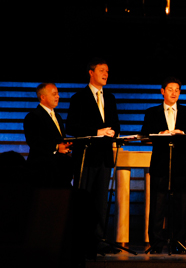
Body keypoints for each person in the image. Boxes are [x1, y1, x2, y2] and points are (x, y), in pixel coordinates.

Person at [66, 57, 120, 254]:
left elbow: (115, 124)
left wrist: (114, 132)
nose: (106, 74)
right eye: (102, 70)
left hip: (105, 157)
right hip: (86, 158)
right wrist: (97, 131)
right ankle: (80, 240)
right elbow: (71, 127)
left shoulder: (111, 98)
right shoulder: (78, 98)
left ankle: (99, 239)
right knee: (84, 199)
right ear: (91, 72)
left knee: (101, 201)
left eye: (107, 71)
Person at [141, 77, 186, 254]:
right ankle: (156, 243)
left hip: (180, 165)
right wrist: (160, 134)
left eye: (177, 90)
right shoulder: (152, 112)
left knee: (180, 206)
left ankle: (178, 242)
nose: (174, 93)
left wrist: (183, 134)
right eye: (170, 89)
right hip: (160, 164)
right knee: (157, 206)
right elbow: (144, 136)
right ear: (162, 91)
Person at [24, 83, 73, 188]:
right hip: (42, 170)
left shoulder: (57, 116)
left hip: (60, 169)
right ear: (43, 97)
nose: (58, 96)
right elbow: (34, 141)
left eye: (58, 94)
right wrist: (56, 147)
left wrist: (66, 146)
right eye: (54, 94)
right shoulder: (33, 116)